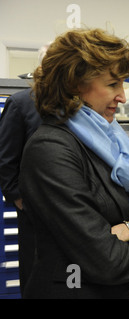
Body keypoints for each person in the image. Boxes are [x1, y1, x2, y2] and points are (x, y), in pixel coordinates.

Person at [18, 28, 129, 299]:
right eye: (112, 84)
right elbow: (107, 259)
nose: (122, 96)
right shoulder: (50, 149)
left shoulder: (109, 140)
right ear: (75, 83)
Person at [0, 43, 49, 295]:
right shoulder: (20, 104)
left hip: (69, 213)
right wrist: (19, 200)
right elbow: (5, 160)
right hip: (33, 213)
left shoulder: (75, 107)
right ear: (42, 68)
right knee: (33, 277)